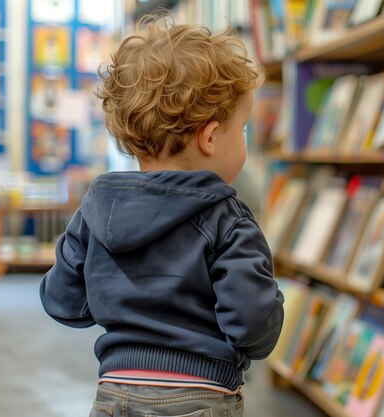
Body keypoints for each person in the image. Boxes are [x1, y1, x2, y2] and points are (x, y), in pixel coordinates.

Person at [40, 15, 284, 417]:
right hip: (200, 394)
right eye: (242, 130)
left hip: (114, 392)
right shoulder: (226, 216)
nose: (244, 140)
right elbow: (254, 326)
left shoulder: (97, 205)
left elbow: (62, 300)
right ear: (209, 137)